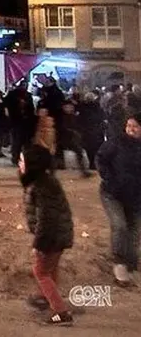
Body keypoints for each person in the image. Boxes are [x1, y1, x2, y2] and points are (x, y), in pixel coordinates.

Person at [20, 113, 75, 326]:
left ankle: (60, 311)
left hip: (51, 236)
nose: (19, 163)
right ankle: (46, 298)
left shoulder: (42, 187)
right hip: (58, 234)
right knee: (51, 269)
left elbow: (46, 218)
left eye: (22, 161)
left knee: (40, 271)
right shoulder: (45, 181)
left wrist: (38, 243)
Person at [96, 113, 141, 286]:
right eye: (129, 125)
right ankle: (119, 264)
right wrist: (109, 178)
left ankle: (131, 262)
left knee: (134, 231)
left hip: (136, 197)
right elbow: (101, 159)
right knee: (120, 226)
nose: (131, 129)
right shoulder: (116, 143)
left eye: (135, 126)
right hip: (113, 193)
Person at [5, 80, 36, 166]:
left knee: (26, 142)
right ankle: (15, 158)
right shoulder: (12, 95)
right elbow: (7, 105)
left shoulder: (28, 95)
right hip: (16, 121)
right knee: (16, 141)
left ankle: (25, 158)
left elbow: (31, 109)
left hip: (26, 122)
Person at [78, 91, 105, 170]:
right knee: (96, 149)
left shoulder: (82, 108)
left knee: (89, 149)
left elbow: (80, 120)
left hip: (87, 132)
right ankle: (95, 163)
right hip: (96, 131)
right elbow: (102, 118)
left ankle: (92, 163)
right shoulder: (98, 107)